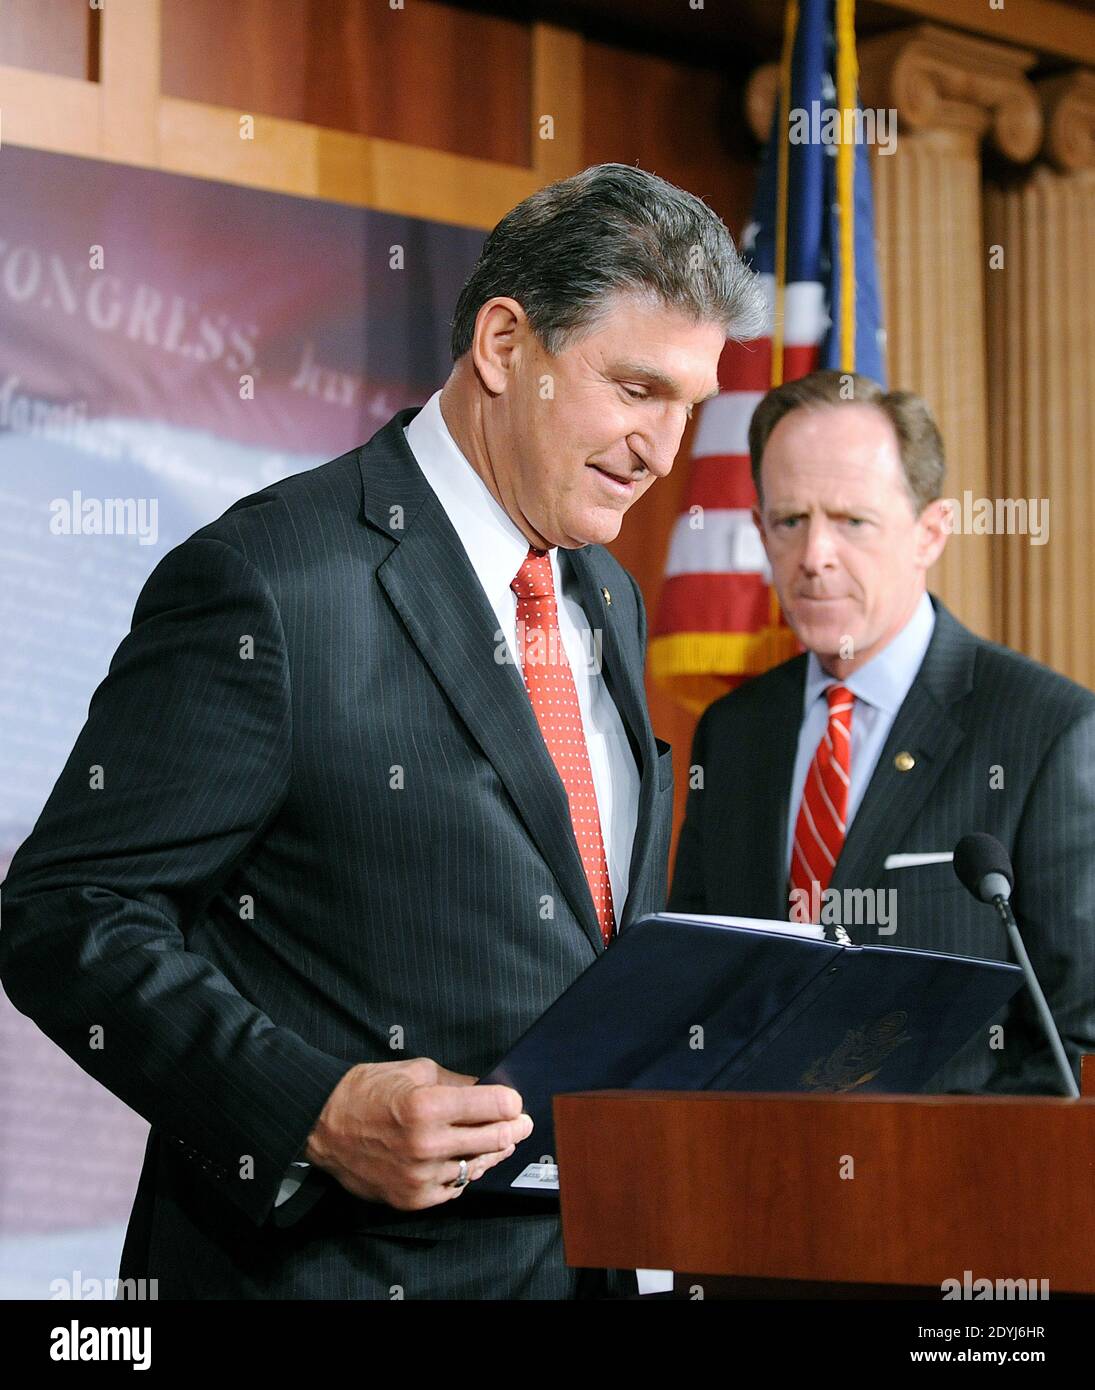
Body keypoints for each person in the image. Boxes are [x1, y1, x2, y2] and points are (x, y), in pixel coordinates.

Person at [0, 163, 762, 1299]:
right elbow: (64, 914)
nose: (665, 447)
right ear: (506, 345)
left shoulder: (604, 591)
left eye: (690, 405)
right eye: (637, 389)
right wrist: (309, 1110)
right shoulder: (271, 581)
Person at [668, 369, 1095, 1095]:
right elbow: (692, 989)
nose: (813, 557)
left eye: (851, 521)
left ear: (931, 532)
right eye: (788, 520)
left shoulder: (1044, 728)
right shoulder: (733, 733)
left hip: (947, 1189)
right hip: (746, 1183)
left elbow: (1074, 1039)